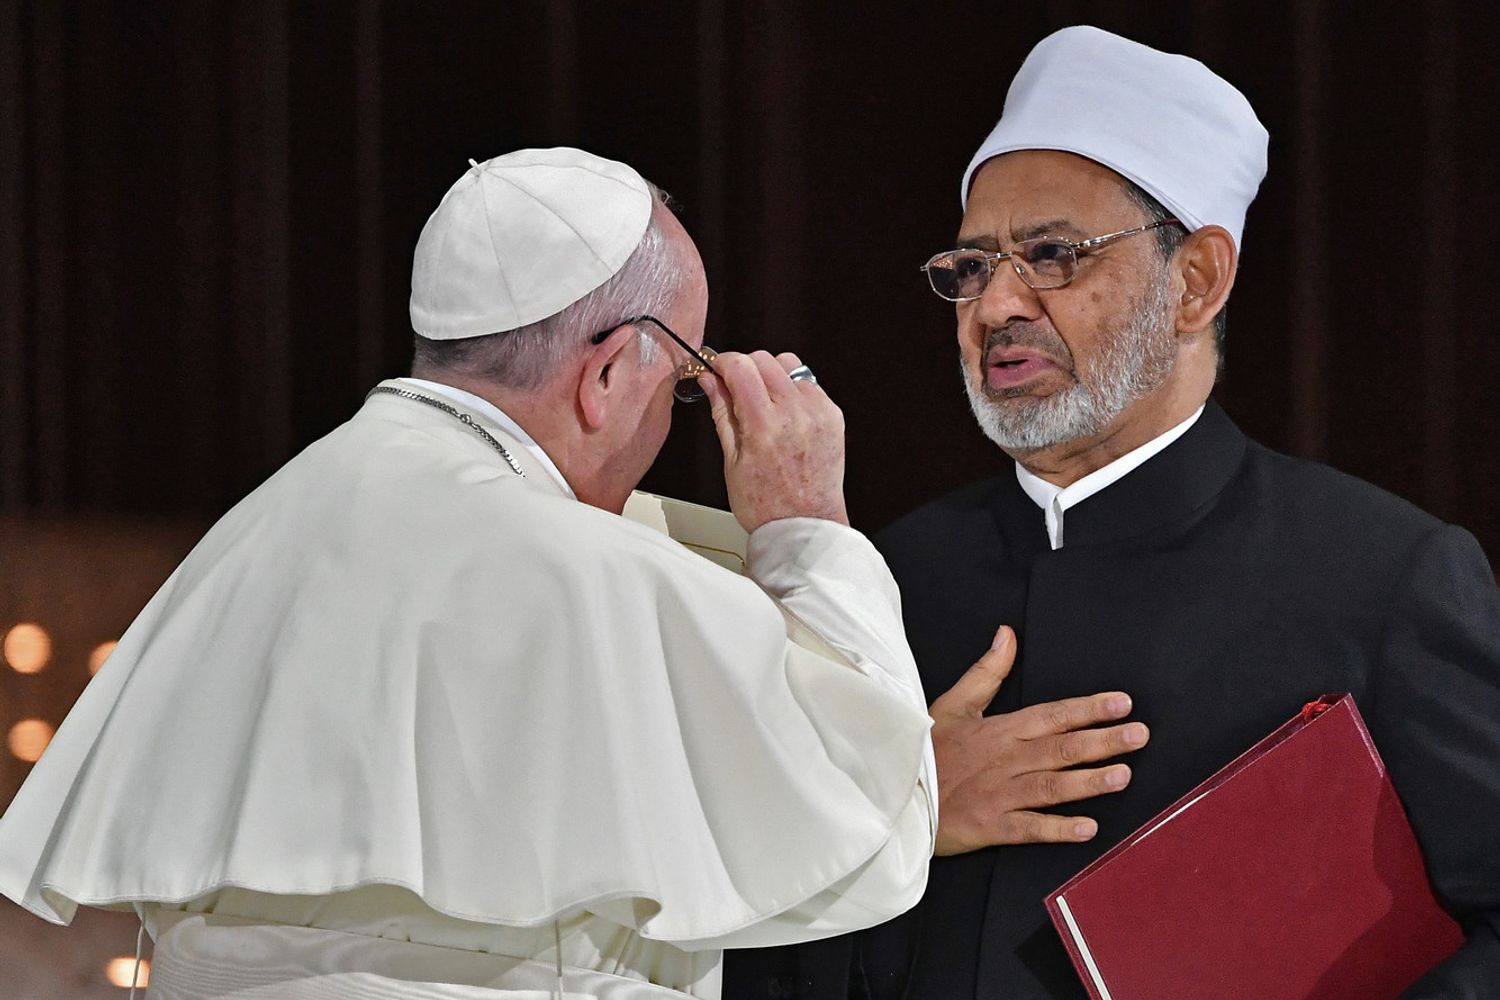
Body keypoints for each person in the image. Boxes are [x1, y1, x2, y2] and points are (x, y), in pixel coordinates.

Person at [0, 147, 944, 999]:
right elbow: (871, 845)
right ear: (607, 374)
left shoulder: (257, 528)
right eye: (686, 381)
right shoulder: (589, 579)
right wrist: (805, 523)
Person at [724, 25, 1500, 999]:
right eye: (970, 268)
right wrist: (899, 807)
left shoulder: (1382, 576)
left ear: (1196, 281)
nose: (996, 303)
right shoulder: (891, 579)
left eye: (1052, 255)